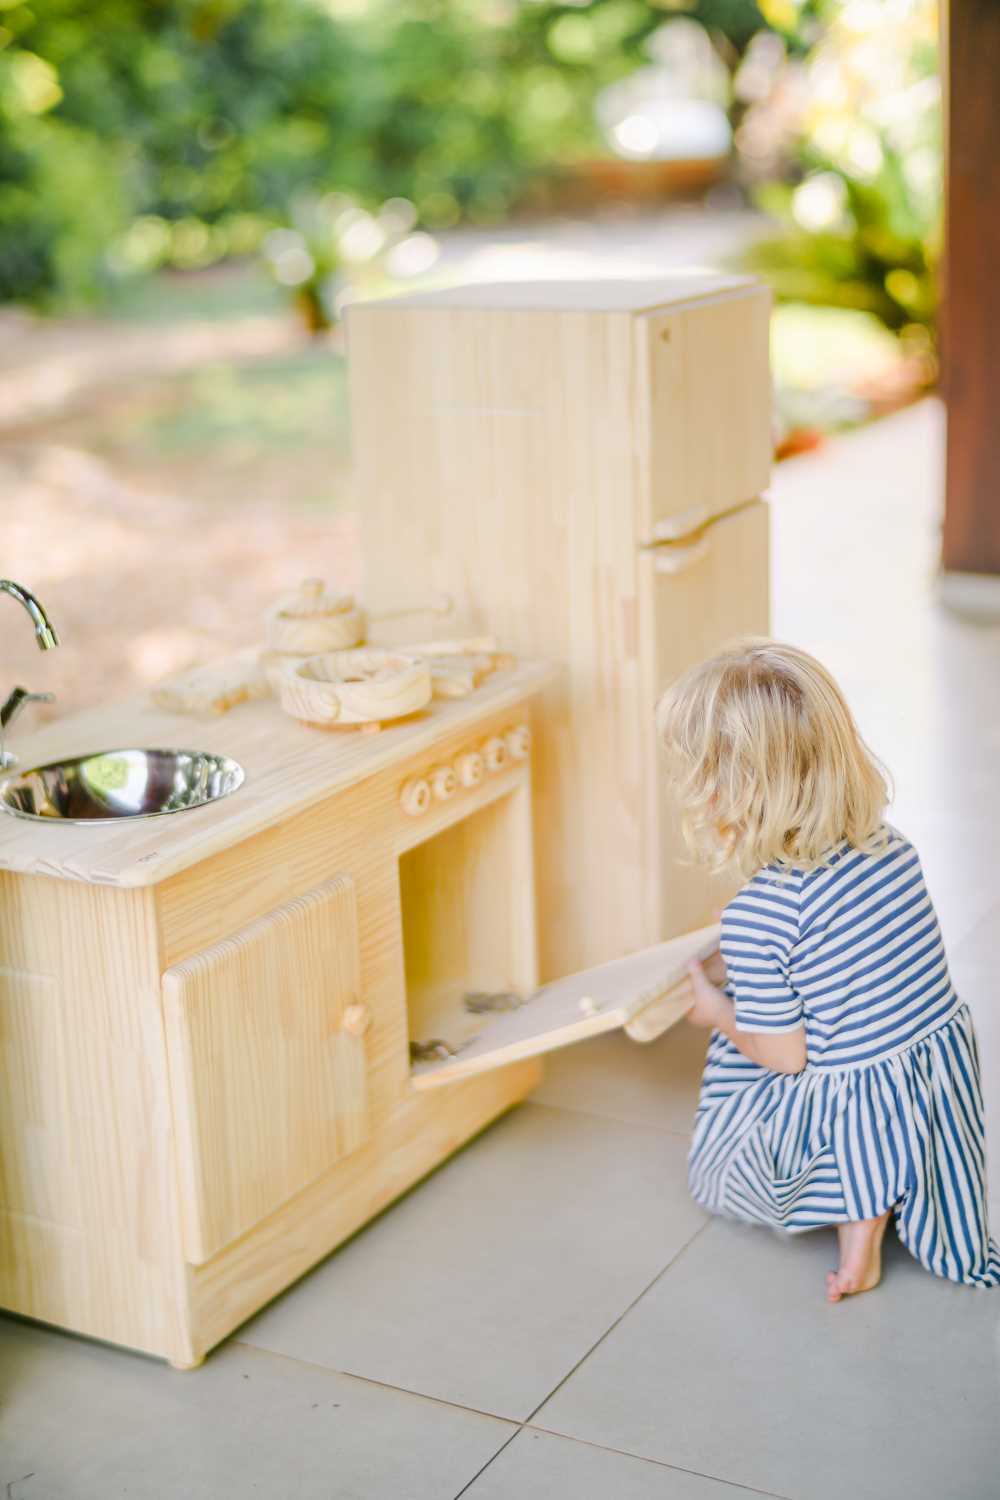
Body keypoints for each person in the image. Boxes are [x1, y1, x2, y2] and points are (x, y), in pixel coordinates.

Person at [655, 637, 999, 1301]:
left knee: (718, 1170)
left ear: (726, 792)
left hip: (850, 1105)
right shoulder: (890, 845)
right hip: (925, 1078)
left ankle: (856, 1206)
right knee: (845, 1057)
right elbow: (854, 961)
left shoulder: (759, 917)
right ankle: (876, 1206)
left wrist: (715, 1011)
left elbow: (784, 1058)